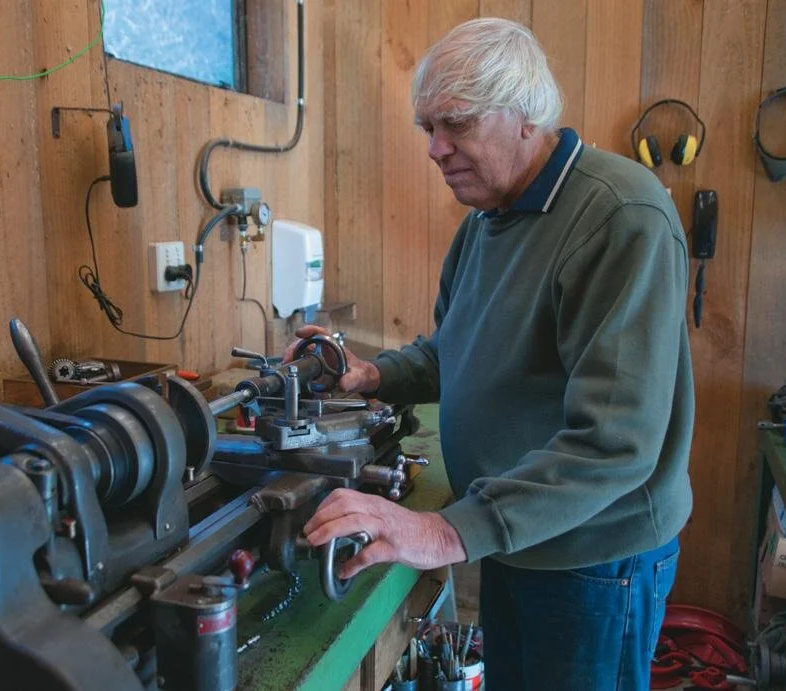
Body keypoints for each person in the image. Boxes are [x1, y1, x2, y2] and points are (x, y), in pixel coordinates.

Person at [287, 17, 694, 691]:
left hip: (594, 557)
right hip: (515, 532)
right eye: (428, 129)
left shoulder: (621, 216)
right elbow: (455, 353)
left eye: (457, 125)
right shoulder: (486, 223)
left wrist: (446, 533)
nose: (436, 149)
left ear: (526, 116)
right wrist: (369, 374)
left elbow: (615, 443)